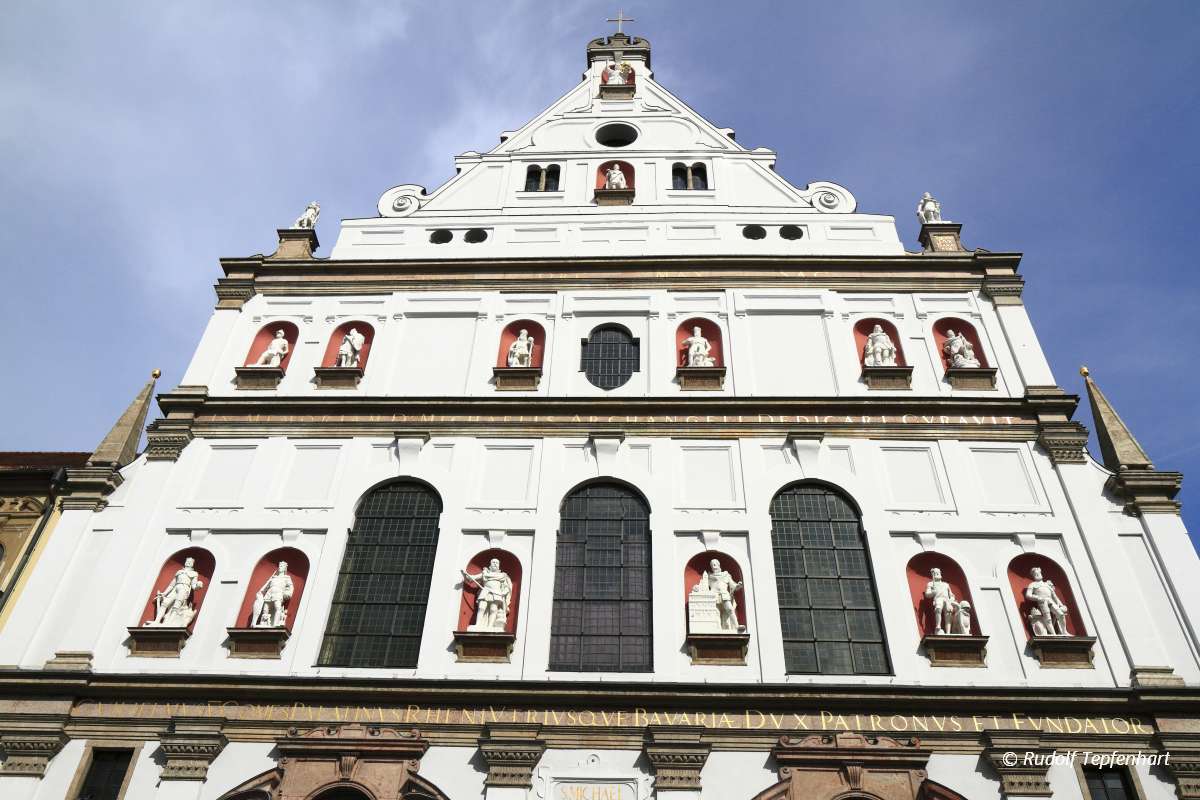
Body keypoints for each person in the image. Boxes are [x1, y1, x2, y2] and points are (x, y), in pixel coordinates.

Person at [150, 557, 204, 627]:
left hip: (184, 589)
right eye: (187, 561)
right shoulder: (179, 572)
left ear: (192, 564)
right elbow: (172, 584)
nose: (188, 562)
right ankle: (156, 621)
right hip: (175, 588)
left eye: (190, 562)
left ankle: (169, 623)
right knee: (164, 603)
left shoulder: (194, 573)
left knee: (176, 606)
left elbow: (193, 586)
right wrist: (164, 593)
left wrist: (198, 586)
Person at [462, 558, 513, 632]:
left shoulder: (502, 575)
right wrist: (466, 575)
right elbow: (472, 578)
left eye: (496, 563)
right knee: (481, 607)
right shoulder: (485, 573)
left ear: (499, 565)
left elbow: (506, 587)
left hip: (496, 592)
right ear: (490, 565)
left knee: (493, 609)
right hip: (486, 591)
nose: (495, 564)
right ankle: (478, 625)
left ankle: (490, 627)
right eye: (493, 562)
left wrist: (504, 592)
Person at [698, 559, 743, 633]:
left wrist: (738, 586)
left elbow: (733, 585)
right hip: (714, 596)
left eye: (715, 564)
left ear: (719, 565)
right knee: (716, 613)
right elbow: (703, 585)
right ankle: (717, 630)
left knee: (730, 609)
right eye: (712, 565)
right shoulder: (709, 576)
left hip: (724, 594)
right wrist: (697, 588)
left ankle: (737, 626)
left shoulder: (726, 575)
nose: (713, 566)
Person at [1025, 567, 1069, 636]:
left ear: (1040, 573)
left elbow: (1055, 596)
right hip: (1042, 602)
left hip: (1050, 600)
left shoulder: (1047, 584)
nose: (1037, 575)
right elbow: (1028, 595)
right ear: (1033, 576)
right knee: (1048, 619)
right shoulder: (1032, 584)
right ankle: (1053, 634)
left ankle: (1064, 632)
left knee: (1061, 614)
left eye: (1038, 573)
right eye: (1035, 574)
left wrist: (1061, 605)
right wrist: (1037, 598)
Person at [251, 562, 295, 628]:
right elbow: (266, 586)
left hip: (278, 593)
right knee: (265, 608)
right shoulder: (273, 577)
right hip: (269, 592)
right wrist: (261, 592)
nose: (280, 567)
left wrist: (288, 593)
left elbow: (291, 587)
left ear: (285, 568)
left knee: (277, 607)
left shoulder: (287, 578)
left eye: (282, 566)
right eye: (279, 566)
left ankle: (275, 624)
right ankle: (263, 623)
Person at [923, 568, 958, 635]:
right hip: (938, 598)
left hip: (947, 600)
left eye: (938, 573)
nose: (937, 574)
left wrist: (952, 599)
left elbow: (951, 594)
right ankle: (938, 625)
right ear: (933, 574)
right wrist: (933, 592)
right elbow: (927, 594)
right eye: (935, 573)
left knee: (948, 614)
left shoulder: (946, 584)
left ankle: (948, 632)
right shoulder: (931, 584)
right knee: (938, 609)